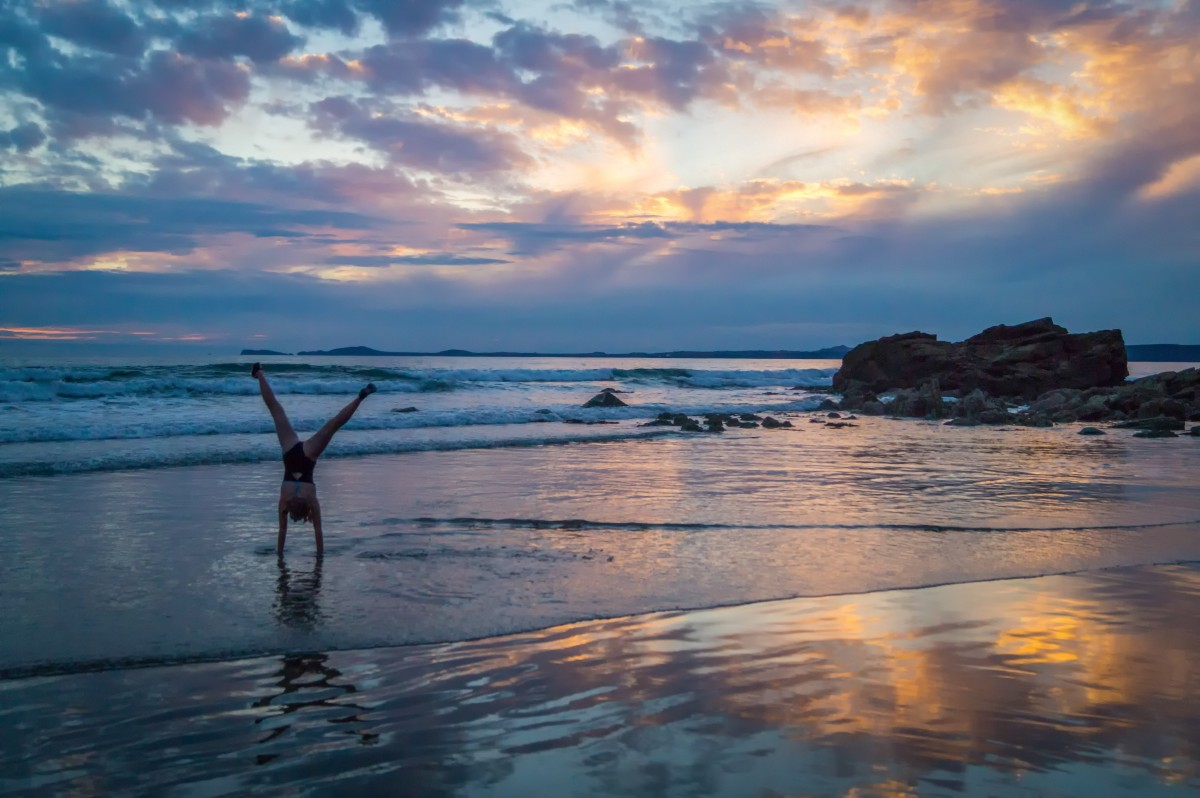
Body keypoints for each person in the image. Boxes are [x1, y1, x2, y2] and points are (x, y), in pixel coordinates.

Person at [252, 363, 376, 556]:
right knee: (276, 410)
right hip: (291, 451)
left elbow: (318, 533)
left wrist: (318, 558)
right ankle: (259, 373)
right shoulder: (285, 501)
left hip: (309, 455)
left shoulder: (311, 501)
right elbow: (283, 532)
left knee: (332, 425)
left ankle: (360, 398)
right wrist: (280, 554)